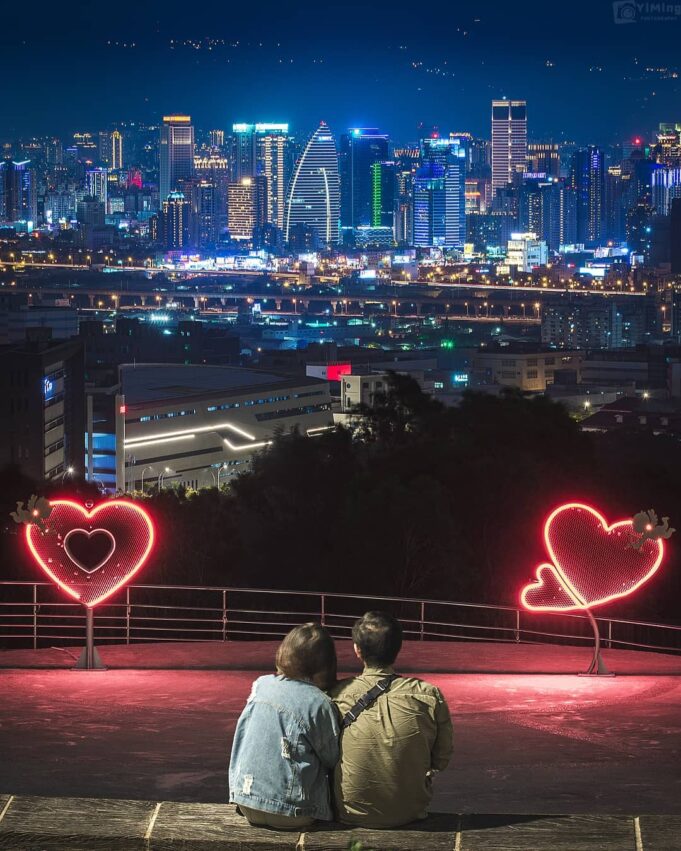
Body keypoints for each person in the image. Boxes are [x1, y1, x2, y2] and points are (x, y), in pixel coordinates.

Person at [331, 611, 453, 828]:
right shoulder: (428, 695)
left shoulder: (337, 694)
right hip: (410, 810)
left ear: (357, 650)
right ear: (398, 648)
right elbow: (441, 759)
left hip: (351, 813)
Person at [229, 622, 340, 830]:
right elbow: (332, 757)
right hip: (292, 811)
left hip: (246, 801)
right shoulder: (318, 702)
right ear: (325, 665)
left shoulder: (260, 685)